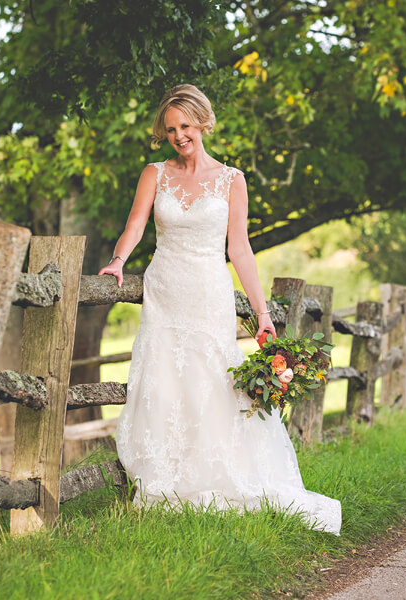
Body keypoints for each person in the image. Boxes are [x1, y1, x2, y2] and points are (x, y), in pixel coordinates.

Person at [98, 84, 341, 535]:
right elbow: (134, 227)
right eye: (170, 129)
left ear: (204, 124)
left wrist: (261, 314)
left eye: (185, 126)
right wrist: (117, 261)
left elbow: (240, 249)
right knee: (166, 382)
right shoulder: (154, 173)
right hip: (165, 290)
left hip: (209, 292)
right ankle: (167, 481)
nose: (178, 135)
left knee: (212, 382)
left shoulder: (232, 180)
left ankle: (217, 477)